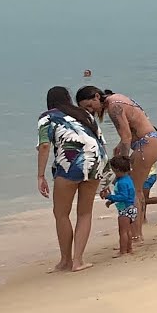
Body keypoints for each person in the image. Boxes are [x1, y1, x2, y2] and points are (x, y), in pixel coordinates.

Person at [75, 86, 157, 239]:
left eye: (90, 105)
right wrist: (120, 146)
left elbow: (126, 137)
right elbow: (132, 129)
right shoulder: (118, 98)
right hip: (151, 141)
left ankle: (136, 235)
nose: (91, 110)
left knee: (134, 191)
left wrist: (121, 164)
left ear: (97, 96)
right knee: (137, 190)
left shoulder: (113, 106)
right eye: (86, 109)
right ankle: (138, 232)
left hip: (146, 144)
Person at [39, 86, 108, 272]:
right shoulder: (84, 114)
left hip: (71, 164)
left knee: (61, 214)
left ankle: (65, 261)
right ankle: (78, 261)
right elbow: (100, 144)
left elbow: (44, 146)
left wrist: (40, 176)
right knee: (84, 213)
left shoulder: (47, 117)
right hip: (95, 162)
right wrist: (107, 181)